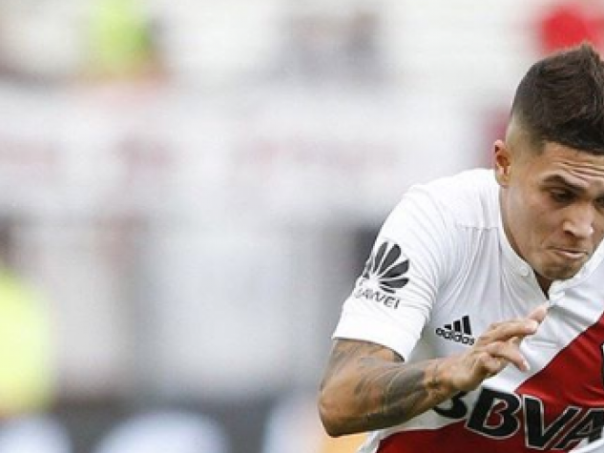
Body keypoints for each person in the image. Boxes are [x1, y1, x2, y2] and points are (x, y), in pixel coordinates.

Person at [318, 42, 604, 453]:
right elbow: (339, 399)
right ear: (504, 164)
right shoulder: (441, 219)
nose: (581, 226)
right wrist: (451, 373)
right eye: (560, 194)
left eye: (602, 202)